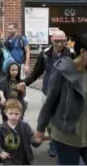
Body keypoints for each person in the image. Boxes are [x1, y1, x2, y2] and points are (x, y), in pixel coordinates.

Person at [17, 30, 74, 157]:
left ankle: (62, 143)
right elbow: (37, 71)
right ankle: (53, 143)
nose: (59, 44)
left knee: (61, 119)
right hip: (48, 91)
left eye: (62, 41)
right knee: (48, 120)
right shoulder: (45, 54)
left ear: (66, 40)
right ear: (51, 40)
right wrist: (25, 82)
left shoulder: (72, 54)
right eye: (56, 41)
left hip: (66, 94)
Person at [34, 34, 87, 165]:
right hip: (66, 135)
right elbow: (50, 101)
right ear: (83, 52)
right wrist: (40, 129)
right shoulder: (63, 70)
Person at [0, 98, 41, 165]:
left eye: (16, 114)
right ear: (6, 113)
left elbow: (32, 139)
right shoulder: (1, 128)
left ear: (21, 113)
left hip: (24, 159)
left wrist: (37, 140)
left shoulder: (25, 126)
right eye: (11, 113)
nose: (13, 116)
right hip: (9, 159)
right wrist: (0, 151)